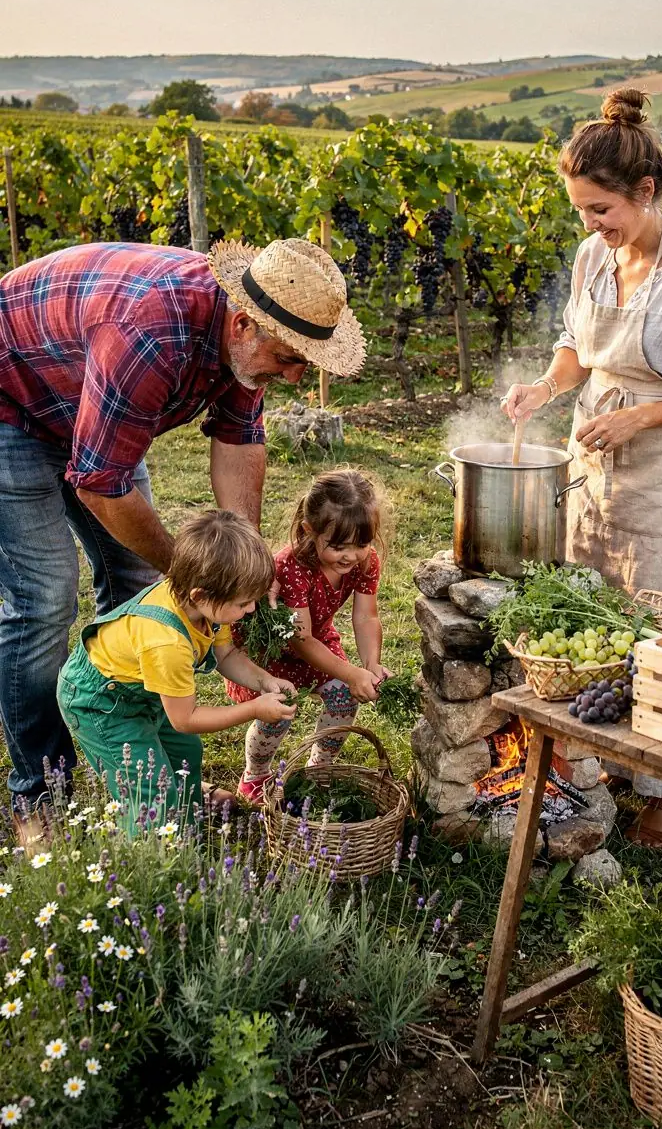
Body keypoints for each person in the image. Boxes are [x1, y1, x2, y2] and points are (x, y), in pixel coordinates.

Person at [0, 235, 365, 838]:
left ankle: (137, 736)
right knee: (45, 601)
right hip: (13, 399)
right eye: (290, 359)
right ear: (244, 325)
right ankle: (41, 793)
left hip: (94, 410)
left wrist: (243, 567)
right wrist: (202, 575)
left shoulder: (249, 346)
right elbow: (100, 484)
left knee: (139, 580)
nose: (297, 376)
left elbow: (240, 441)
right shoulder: (150, 336)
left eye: (307, 361)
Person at [502, 88, 662, 849]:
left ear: (646, 192)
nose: (590, 226)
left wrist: (640, 415)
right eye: (581, 210)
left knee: (660, 615)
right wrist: (547, 388)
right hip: (599, 456)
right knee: (596, 607)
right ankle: (611, 750)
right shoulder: (593, 257)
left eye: (601, 210)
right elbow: (578, 349)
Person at [56, 511, 297, 826]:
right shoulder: (167, 643)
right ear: (201, 595)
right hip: (101, 704)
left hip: (141, 691)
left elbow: (226, 656)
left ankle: (185, 808)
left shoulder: (206, 606)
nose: (251, 609)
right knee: (147, 790)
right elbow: (185, 719)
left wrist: (265, 681)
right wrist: (254, 709)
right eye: (243, 603)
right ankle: (158, 845)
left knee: (186, 753)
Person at [225, 470, 389, 805]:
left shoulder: (365, 561)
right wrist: (349, 671)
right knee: (278, 711)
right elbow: (299, 639)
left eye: (362, 544)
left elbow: (366, 615)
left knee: (344, 696)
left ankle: (319, 769)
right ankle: (256, 776)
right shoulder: (292, 567)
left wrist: (370, 664)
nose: (351, 555)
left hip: (317, 641)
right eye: (338, 546)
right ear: (308, 531)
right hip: (275, 651)